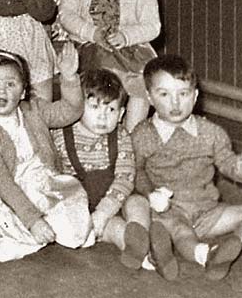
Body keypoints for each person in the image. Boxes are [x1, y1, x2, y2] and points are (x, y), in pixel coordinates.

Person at [132, 55, 242, 280]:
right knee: (181, 232)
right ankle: (205, 255)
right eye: (164, 95)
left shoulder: (211, 132)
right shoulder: (142, 135)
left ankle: (241, 250)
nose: (175, 103)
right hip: (170, 212)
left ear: (195, 96)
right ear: (149, 97)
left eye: (183, 94)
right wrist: (150, 194)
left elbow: (226, 161)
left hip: (208, 211)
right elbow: (137, 171)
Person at [0, 48, 90, 262]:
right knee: (10, 232)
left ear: (23, 91)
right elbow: (3, 181)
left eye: (11, 84)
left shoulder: (33, 109)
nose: (2, 91)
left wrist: (69, 78)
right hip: (10, 194)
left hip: (45, 182)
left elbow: (70, 111)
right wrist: (33, 220)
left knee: (76, 227)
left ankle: (56, 225)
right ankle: (32, 229)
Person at [51, 69, 163, 273]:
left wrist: (104, 211)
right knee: (112, 229)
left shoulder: (121, 137)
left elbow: (125, 179)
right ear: (77, 107)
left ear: (121, 114)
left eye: (110, 110)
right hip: (82, 206)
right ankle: (136, 248)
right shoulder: (59, 135)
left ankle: (143, 233)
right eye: (94, 107)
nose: (102, 117)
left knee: (138, 203)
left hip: (117, 197)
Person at [59, 0, 159, 131]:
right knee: (98, 81)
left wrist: (127, 35)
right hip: (90, 47)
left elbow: (153, 26)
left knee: (142, 85)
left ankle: (132, 136)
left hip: (130, 50)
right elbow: (66, 16)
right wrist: (92, 33)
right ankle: (94, 130)